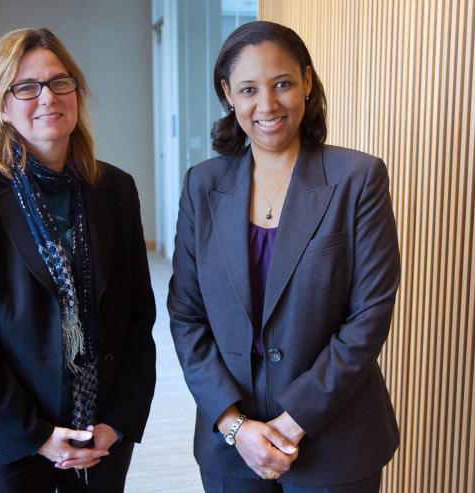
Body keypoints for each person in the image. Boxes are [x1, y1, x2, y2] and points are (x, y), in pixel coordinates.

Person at [168, 21, 400, 492]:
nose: (267, 105)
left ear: (307, 83)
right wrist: (236, 426)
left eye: (283, 84)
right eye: (249, 89)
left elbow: (368, 317)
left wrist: (293, 423)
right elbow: (187, 316)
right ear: (228, 95)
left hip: (336, 441)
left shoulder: (357, 178)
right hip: (231, 446)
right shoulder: (202, 185)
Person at [0, 28, 156, 492]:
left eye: (59, 82)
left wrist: (118, 422)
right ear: (2, 103)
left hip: (98, 430)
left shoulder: (114, 188)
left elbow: (136, 317)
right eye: (26, 87)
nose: (47, 97)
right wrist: (35, 434)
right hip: (2, 429)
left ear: (77, 91)